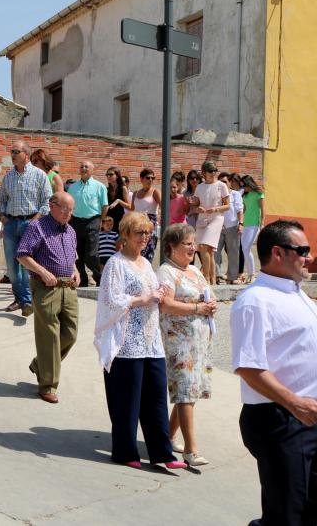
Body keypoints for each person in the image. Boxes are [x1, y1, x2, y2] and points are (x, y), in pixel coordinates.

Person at [231, 220, 317, 525]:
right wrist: (295, 403)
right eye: (303, 249)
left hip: (307, 417)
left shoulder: (296, 292)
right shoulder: (255, 301)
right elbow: (249, 367)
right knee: (286, 517)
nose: (309, 256)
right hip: (281, 419)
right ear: (278, 253)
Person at [94, 211, 186, 470]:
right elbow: (111, 299)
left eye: (147, 233)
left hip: (150, 340)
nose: (145, 237)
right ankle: (124, 451)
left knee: (156, 397)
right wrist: (142, 300)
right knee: (127, 400)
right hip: (126, 342)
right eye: (139, 233)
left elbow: (152, 295)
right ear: (125, 235)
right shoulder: (116, 263)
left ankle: (163, 453)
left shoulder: (146, 264)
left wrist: (159, 293)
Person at [157, 224, 216, 467]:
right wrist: (197, 308)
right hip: (178, 342)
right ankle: (191, 450)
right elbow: (165, 305)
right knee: (185, 391)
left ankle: (168, 437)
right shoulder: (166, 272)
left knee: (191, 391)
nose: (193, 248)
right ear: (172, 246)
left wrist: (211, 306)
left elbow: (207, 296)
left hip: (199, 341)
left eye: (193, 243)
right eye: (187, 244)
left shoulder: (195, 271)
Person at [16, 192, 80, 404]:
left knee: (70, 333)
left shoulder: (70, 230)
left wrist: (75, 269)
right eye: (64, 209)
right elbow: (22, 254)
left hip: (68, 287)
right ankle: (48, 385)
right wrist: (42, 272)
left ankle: (40, 365)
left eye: (71, 210)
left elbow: (72, 256)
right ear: (52, 205)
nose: (68, 214)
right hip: (46, 287)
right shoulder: (37, 227)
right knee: (49, 336)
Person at [0, 141, 52, 316]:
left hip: (31, 224)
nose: (12, 154)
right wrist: (3, 216)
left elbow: (47, 200)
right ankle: (21, 300)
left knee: (26, 266)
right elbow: (3, 200)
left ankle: (26, 301)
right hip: (11, 225)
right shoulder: (8, 177)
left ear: (26, 155)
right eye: (11, 151)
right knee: (12, 269)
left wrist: (36, 220)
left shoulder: (39, 175)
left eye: (16, 151)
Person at [68, 161, 109, 287]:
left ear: (92, 170)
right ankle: (83, 280)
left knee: (91, 255)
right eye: (81, 166)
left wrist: (100, 221)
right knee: (77, 254)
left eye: (86, 166)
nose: (83, 168)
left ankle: (99, 277)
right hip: (75, 221)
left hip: (93, 220)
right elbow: (69, 204)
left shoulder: (99, 186)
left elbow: (105, 205)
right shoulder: (72, 187)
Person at [191, 161, 230, 284]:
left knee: (203, 246)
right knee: (209, 251)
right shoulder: (200, 187)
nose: (213, 173)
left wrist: (216, 209)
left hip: (216, 218)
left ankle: (206, 279)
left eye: (215, 170)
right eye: (210, 171)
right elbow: (195, 206)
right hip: (202, 219)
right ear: (203, 173)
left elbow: (228, 206)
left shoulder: (221, 185)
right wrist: (198, 208)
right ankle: (213, 279)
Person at [215, 173, 244, 284]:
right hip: (218, 226)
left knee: (233, 253)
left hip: (232, 226)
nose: (223, 184)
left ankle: (232, 277)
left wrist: (241, 224)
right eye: (220, 182)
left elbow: (239, 210)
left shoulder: (235, 194)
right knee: (215, 252)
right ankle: (216, 276)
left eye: (225, 181)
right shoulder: (217, 195)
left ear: (230, 182)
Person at [131, 168, 161, 262]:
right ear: (141, 179)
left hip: (150, 224)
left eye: (153, 178)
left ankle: (146, 274)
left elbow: (164, 207)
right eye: (148, 177)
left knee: (148, 252)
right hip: (137, 224)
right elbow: (132, 209)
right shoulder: (135, 193)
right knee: (136, 251)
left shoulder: (155, 191)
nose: (150, 180)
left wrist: (159, 221)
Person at [240, 175, 265, 285]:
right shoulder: (245, 195)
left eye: (244, 185)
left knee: (246, 247)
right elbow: (244, 209)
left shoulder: (259, 193)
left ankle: (252, 274)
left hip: (255, 224)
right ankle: (250, 274)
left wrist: (262, 223)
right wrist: (240, 222)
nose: (243, 187)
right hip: (246, 224)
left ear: (249, 183)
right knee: (245, 249)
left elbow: (263, 209)